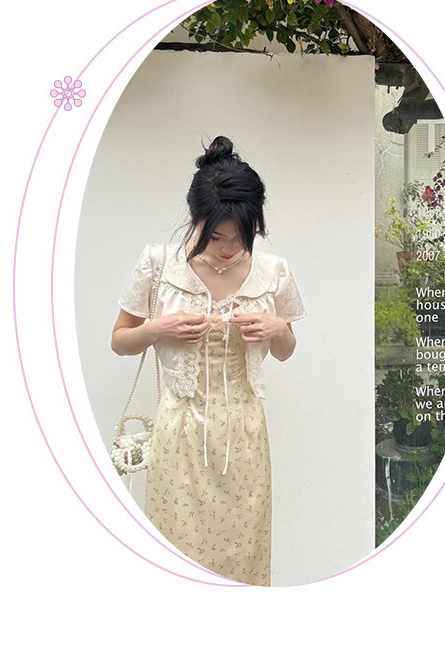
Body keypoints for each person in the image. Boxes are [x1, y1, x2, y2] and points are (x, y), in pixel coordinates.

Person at [111, 136, 306, 586]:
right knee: (175, 550)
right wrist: (158, 329)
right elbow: (120, 341)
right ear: (195, 217)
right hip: (179, 433)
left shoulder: (273, 270)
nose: (227, 248)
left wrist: (277, 328)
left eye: (241, 237)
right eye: (216, 236)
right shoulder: (159, 264)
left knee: (245, 555)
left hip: (246, 436)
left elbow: (286, 349)